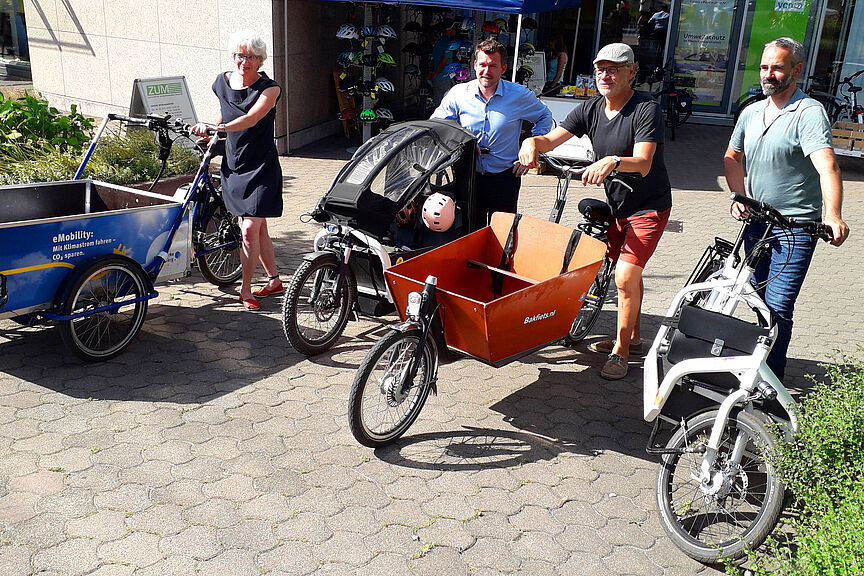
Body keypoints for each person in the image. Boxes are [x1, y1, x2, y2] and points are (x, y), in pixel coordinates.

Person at [519, 42, 671, 380]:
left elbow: (644, 163)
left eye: (615, 68)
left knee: (625, 276)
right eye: (601, 68)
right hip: (618, 206)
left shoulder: (646, 109)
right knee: (628, 274)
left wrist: (613, 160)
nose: (606, 75)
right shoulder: (590, 110)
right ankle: (633, 337)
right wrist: (531, 143)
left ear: (631, 72)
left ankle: (620, 351)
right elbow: (550, 140)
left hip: (649, 205)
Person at [724, 37, 849, 380]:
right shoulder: (751, 111)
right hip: (757, 225)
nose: (769, 74)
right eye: (764, 67)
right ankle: (754, 370)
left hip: (795, 229)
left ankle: (768, 384)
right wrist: (739, 196)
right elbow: (732, 157)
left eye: (778, 67)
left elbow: (828, 166)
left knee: (778, 308)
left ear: (797, 70)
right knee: (759, 304)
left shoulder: (808, 113)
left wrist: (833, 214)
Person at [192, 30, 283, 312]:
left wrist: (217, 129)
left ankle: (245, 289)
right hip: (235, 164)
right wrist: (210, 130)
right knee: (260, 228)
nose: (245, 61)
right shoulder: (222, 82)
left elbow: (250, 118)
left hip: (262, 167)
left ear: (261, 60)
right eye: (241, 55)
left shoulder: (270, 89)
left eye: (252, 57)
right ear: (234, 56)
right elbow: (225, 111)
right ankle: (274, 280)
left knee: (249, 230)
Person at [431, 38, 553, 227]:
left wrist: (532, 148)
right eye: (482, 65)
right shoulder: (458, 93)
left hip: (505, 177)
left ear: (503, 68)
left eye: (493, 66)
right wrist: (462, 141)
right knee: (470, 232)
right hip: (469, 177)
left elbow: (544, 116)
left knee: (502, 235)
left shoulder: (518, 95)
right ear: (475, 65)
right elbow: (437, 125)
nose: (486, 71)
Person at [427, 18, 459, 106]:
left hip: (438, 77)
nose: (455, 30)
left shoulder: (440, 41)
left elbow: (433, 59)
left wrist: (433, 74)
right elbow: (444, 61)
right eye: (454, 28)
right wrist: (436, 73)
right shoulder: (448, 43)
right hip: (443, 77)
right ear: (450, 29)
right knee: (445, 104)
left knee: (439, 102)